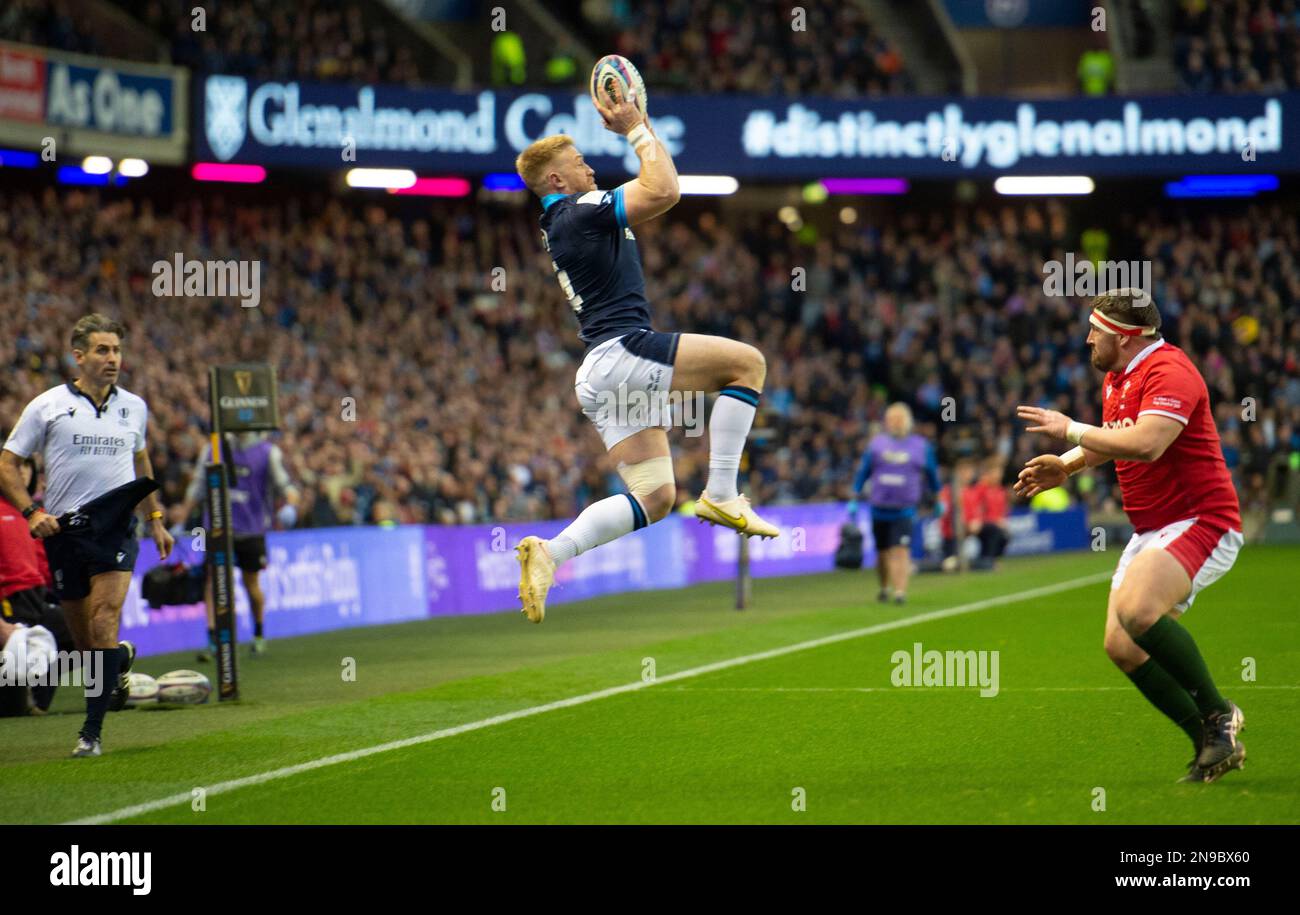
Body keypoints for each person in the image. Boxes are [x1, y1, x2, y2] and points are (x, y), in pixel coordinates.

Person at [511, 86, 778, 623]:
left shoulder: (565, 220)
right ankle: (722, 493)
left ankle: (550, 553)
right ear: (558, 180)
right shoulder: (578, 210)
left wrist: (645, 124)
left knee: (655, 497)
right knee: (747, 364)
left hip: (599, 372)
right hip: (623, 350)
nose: (590, 170)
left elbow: (657, 184)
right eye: (580, 164)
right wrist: (635, 127)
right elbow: (665, 190)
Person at [1015, 289, 1245, 783]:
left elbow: (1147, 442)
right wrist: (1070, 465)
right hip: (1153, 528)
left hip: (1201, 518)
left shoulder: (1170, 370)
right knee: (1122, 646)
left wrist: (1070, 430)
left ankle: (1218, 713)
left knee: (1138, 611)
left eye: (1095, 331)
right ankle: (1210, 743)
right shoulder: (1120, 376)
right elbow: (1115, 433)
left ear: (1123, 337)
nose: (1087, 339)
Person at [0, 313, 174, 757]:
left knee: (103, 620)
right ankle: (114, 668)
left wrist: (154, 515)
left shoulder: (133, 406)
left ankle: (90, 735)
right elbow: (6, 463)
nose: (112, 358)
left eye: (116, 349)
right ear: (78, 356)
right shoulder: (47, 405)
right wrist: (31, 511)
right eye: (102, 350)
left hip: (115, 527)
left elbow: (141, 462)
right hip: (64, 531)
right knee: (85, 643)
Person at [175, 432, 300, 659]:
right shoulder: (214, 448)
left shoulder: (267, 452)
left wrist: (290, 506)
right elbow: (198, 486)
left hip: (251, 529)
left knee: (251, 583)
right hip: (217, 527)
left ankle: (259, 633)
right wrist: (182, 518)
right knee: (214, 580)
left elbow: (286, 486)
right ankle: (215, 640)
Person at [848, 403, 941, 604]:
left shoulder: (921, 446)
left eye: (899, 419)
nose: (895, 423)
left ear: (907, 422)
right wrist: (854, 497)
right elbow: (863, 472)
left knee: (900, 549)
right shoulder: (876, 445)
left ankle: (900, 592)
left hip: (905, 509)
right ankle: (884, 587)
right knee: (882, 552)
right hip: (879, 508)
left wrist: (937, 497)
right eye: (892, 419)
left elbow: (932, 474)